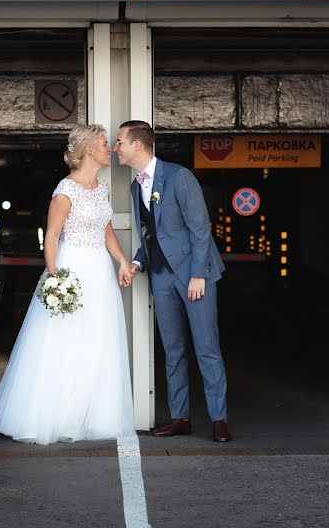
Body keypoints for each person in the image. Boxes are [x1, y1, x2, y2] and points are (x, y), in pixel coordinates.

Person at [0, 124, 135, 445]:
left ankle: (90, 416)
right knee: (63, 342)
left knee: (96, 342)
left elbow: (106, 230)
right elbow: (51, 237)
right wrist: (54, 278)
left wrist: (122, 260)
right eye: (104, 143)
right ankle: (52, 416)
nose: (108, 148)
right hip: (72, 269)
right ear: (88, 151)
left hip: (100, 271)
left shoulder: (100, 187)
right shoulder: (65, 191)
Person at [115, 120, 232, 443]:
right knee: (173, 349)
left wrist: (198, 274)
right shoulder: (134, 186)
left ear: (138, 145)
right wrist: (138, 263)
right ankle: (180, 417)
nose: (116, 148)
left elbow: (200, 230)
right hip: (161, 276)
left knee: (206, 347)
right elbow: (150, 234)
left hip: (195, 276)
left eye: (120, 142)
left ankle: (219, 419)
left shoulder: (180, 176)